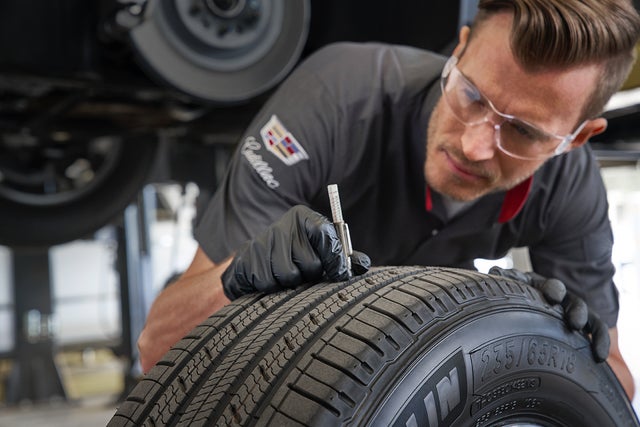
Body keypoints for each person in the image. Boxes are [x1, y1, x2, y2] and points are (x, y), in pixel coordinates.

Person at [138, 0, 640, 398]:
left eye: (524, 132)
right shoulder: (336, 98)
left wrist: (552, 345)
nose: (474, 145)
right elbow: (155, 350)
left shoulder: (569, 186)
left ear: (576, 137)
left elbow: (618, 385)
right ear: (459, 50)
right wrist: (235, 280)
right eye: (471, 96)